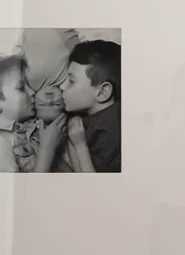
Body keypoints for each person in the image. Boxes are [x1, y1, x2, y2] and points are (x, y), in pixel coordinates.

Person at [36, 39, 122, 174]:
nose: (62, 87)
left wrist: (79, 144)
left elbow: (95, 188)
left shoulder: (110, 131)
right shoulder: (88, 117)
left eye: (71, 81)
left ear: (102, 92)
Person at [0, 54, 36, 173]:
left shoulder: (28, 129)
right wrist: (47, 150)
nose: (33, 92)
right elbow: (17, 190)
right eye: (21, 88)